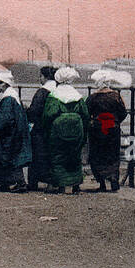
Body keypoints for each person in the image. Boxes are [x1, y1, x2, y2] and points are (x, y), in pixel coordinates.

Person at [40, 66, 89, 194]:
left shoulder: (54, 96)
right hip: (77, 128)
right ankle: (75, 185)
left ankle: (60, 184)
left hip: (58, 129)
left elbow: (48, 115)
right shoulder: (77, 96)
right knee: (74, 155)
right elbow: (85, 114)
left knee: (58, 156)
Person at [87, 70, 130, 192]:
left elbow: (86, 113)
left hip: (97, 127)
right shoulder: (116, 96)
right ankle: (113, 178)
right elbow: (123, 113)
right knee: (112, 154)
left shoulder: (92, 98)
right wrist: (115, 121)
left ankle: (102, 183)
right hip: (112, 126)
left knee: (97, 154)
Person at [0, 71, 31, 192]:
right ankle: (7, 182)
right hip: (16, 131)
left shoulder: (7, 99)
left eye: (0, 83)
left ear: (6, 84)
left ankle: (19, 183)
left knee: (7, 156)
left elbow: (4, 118)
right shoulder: (13, 95)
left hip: (9, 133)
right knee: (11, 156)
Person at [26, 65, 57, 190]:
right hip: (54, 129)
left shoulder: (42, 92)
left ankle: (33, 183)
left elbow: (33, 113)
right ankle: (51, 180)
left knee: (36, 156)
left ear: (44, 77)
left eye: (40, 76)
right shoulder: (57, 90)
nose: (40, 79)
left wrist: (26, 111)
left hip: (40, 129)